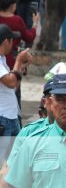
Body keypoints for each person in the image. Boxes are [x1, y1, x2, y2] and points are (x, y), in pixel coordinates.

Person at [0, 24, 31, 160]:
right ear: (6, 41)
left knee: (16, 160)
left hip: (11, 116)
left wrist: (22, 67)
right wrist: (18, 60)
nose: (13, 44)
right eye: (12, 40)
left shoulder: (3, 59)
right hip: (3, 118)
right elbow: (11, 81)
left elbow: (13, 86)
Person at [0, 0, 37, 69]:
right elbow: (29, 37)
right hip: (11, 59)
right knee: (12, 79)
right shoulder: (17, 20)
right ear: (12, 6)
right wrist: (34, 25)